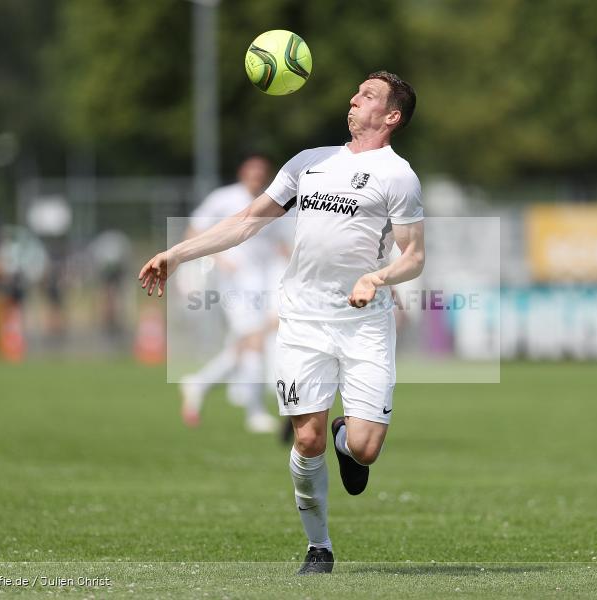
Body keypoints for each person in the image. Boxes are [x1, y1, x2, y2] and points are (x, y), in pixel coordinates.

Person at [139, 71, 424, 575]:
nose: (354, 98)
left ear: (392, 116)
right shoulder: (308, 163)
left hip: (365, 324)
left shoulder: (397, 175)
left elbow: (415, 257)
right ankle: (320, 547)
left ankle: (346, 439)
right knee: (305, 439)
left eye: (369, 95)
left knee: (364, 448)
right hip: (302, 320)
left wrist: (377, 278)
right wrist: (177, 254)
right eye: (356, 90)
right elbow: (247, 220)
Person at [179, 154, 287, 434]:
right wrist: (218, 258)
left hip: (263, 283)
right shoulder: (224, 198)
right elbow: (193, 229)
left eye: (262, 173)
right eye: (252, 172)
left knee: (256, 338)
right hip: (234, 282)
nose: (257, 177)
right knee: (253, 340)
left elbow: (277, 243)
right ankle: (255, 413)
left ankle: (200, 383)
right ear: (242, 173)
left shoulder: (270, 202)